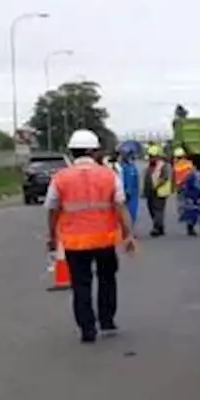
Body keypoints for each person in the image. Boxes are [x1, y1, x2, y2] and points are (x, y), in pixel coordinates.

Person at [44, 129, 136, 344]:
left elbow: (52, 208)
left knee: (80, 284)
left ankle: (87, 330)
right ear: (93, 151)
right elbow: (120, 206)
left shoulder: (60, 178)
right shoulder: (108, 175)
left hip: (75, 242)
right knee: (107, 279)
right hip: (104, 239)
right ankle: (106, 320)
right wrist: (128, 235)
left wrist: (51, 236)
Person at [143, 144, 172, 237]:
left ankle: (156, 228)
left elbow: (165, 177)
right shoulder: (149, 166)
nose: (151, 158)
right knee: (151, 209)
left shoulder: (164, 166)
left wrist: (156, 186)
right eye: (150, 156)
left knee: (158, 210)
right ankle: (160, 226)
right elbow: (147, 178)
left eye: (152, 156)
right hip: (150, 192)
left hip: (160, 191)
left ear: (158, 156)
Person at [119, 145, 140, 229]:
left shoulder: (132, 167)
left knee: (132, 212)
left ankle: (129, 229)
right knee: (125, 213)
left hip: (132, 194)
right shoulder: (122, 167)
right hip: (126, 193)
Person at [172, 147, 194, 218]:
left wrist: (173, 187)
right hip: (189, 185)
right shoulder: (189, 164)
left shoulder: (176, 165)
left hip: (180, 185)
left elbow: (174, 177)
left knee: (181, 199)